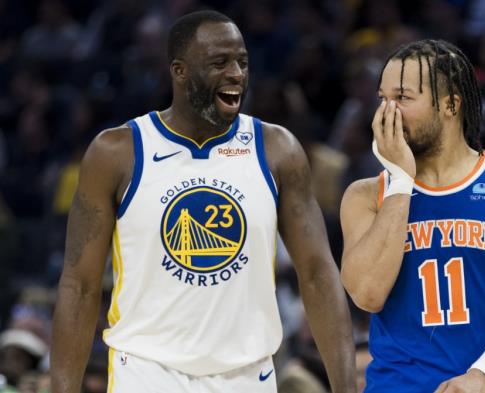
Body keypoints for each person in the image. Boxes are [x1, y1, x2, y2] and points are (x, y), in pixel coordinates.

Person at [51, 10, 356, 393]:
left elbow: (317, 272)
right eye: (220, 62)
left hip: (248, 375)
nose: (236, 74)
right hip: (146, 373)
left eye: (242, 62)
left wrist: (346, 388)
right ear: (179, 71)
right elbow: (79, 285)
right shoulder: (117, 152)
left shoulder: (278, 150)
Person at [340, 39, 485, 392]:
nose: (386, 113)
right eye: (383, 98)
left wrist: (481, 375)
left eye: (403, 98)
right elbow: (367, 294)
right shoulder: (366, 196)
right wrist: (401, 182)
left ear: (451, 105)